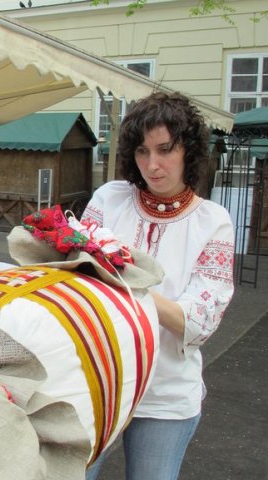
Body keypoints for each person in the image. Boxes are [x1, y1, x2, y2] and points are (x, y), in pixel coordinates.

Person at [82, 92, 235, 480]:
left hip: (166, 395)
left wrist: (126, 283)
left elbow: (198, 321)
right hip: (98, 382)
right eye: (142, 151)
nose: (152, 164)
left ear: (190, 149)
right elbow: (75, 280)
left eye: (165, 149)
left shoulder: (213, 222)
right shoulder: (109, 199)